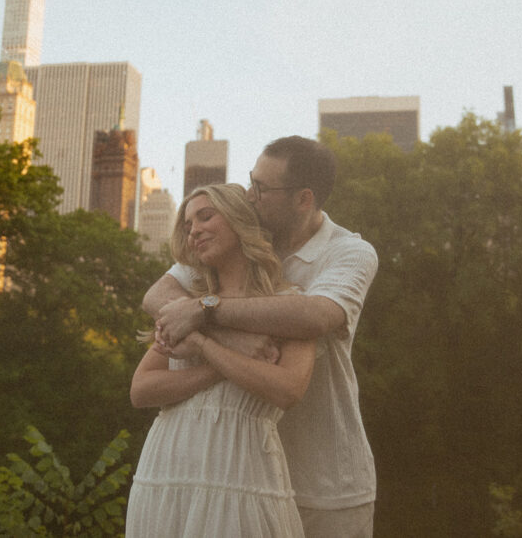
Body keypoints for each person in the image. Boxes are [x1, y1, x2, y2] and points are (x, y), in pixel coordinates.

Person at [145, 135, 379, 538]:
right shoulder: (238, 238)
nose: (250, 196)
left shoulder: (349, 252)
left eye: (262, 188)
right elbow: (159, 295)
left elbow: (315, 315)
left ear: (304, 198)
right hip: (240, 474)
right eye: (251, 182)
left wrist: (206, 313)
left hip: (326, 484)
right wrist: (231, 341)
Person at [125, 183, 315, 537]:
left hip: (240, 474)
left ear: (239, 219)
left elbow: (288, 389)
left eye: (205, 216)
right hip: (167, 473)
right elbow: (142, 389)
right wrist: (218, 357)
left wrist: (200, 343)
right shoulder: (186, 306)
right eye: (187, 225)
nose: (194, 229)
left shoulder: (287, 306)